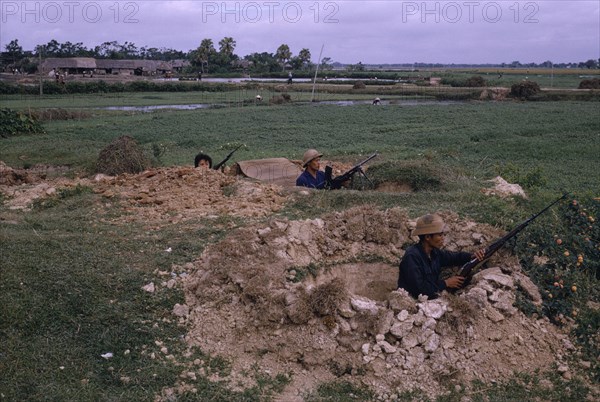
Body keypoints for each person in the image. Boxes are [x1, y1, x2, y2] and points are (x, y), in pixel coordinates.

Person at [398, 214, 485, 299]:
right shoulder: (412, 257)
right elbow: (419, 289)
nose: (443, 238)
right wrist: (446, 283)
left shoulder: (434, 252)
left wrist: (472, 256)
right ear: (428, 237)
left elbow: (453, 257)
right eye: (440, 235)